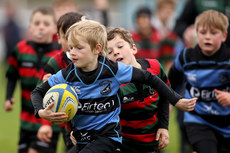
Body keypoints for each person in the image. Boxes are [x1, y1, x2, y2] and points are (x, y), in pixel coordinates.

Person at [31, 19, 197, 153]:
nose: (72, 53)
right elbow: (38, 92)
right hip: (83, 139)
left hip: (108, 138)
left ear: (97, 49)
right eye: (71, 48)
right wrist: (41, 112)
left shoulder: (113, 70)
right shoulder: (67, 74)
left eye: (79, 48)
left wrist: (176, 101)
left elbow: (149, 78)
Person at [168, 10, 230, 153]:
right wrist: (169, 101)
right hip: (198, 121)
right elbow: (169, 81)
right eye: (203, 32)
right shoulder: (186, 57)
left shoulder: (228, 59)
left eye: (213, 33)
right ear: (196, 33)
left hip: (226, 124)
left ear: (224, 36)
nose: (207, 37)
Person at [4, 6, 62, 153]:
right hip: (25, 121)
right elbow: (12, 76)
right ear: (30, 27)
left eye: (46, 24)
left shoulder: (60, 54)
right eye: (37, 23)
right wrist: (8, 97)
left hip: (50, 122)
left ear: (54, 29)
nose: (41, 27)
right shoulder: (20, 49)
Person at [106, 27, 170, 153]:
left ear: (133, 48)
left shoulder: (155, 67)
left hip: (152, 142)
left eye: (120, 46)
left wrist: (164, 127)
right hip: (122, 144)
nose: (115, 52)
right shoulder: (112, 85)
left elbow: (165, 96)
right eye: (109, 52)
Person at [37, 11, 85, 151]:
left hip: (94, 120)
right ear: (58, 38)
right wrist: (45, 124)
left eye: (76, 38)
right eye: (66, 38)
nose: (72, 43)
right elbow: (39, 91)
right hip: (69, 124)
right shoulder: (56, 62)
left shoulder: (93, 59)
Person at [132, 6, 177, 73]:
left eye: (145, 17)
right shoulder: (131, 39)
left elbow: (167, 63)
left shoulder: (161, 38)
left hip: (155, 74)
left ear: (151, 20)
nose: (142, 21)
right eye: (139, 18)